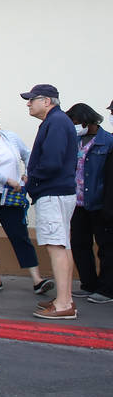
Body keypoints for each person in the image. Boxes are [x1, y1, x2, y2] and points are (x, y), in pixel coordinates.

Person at [0, 106, 48, 294]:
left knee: (20, 235)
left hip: (10, 196)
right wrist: (7, 179)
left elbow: (29, 155)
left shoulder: (10, 137)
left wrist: (27, 174)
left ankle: (37, 279)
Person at [22, 83, 79, 320]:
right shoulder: (58, 121)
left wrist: (31, 181)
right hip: (60, 192)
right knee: (62, 245)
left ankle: (64, 303)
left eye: (32, 99)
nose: (28, 103)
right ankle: (64, 298)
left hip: (53, 193)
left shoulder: (55, 122)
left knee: (56, 246)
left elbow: (52, 162)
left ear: (46, 101)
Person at [65, 102, 113, 304]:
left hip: (99, 203)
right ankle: (88, 284)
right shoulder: (74, 140)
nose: (74, 126)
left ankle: (106, 289)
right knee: (79, 244)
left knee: (106, 247)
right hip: (77, 204)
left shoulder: (107, 141)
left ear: (86, 120)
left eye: (75, 122)